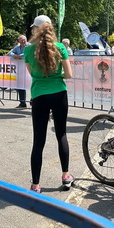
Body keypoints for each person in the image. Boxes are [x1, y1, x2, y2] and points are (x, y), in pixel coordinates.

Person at [24, 15, 73, 193]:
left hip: (39, 95)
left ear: (35, 30)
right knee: (61, 134)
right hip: (59, 93)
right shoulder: (60, 47)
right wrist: (56, 76)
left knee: (38, 141)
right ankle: (66, 176)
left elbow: (32, 73)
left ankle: (36, 184)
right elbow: (69, 74)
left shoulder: (28, 50)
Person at [9, 34, 29, 107]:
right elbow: (10, 52)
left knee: (32, 85)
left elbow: (28, 53)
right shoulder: (17, 47)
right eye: (21, 40)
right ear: (19, 41)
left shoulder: (29, 46)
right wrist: (14, 55)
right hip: (20, 70)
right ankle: (22, 102)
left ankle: (33, 101)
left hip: (29, 69)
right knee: (20, 86)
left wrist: (19, 56)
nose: (23, 41)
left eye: (24, 39)